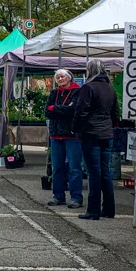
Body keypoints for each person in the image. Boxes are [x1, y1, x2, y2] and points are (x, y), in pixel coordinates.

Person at [73, 59, 120, 220]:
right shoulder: (110, 88)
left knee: (94, 172)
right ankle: (109, 208)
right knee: (105, 171)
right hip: (107, 133)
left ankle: (93, 210)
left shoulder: (88, 88)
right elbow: (115, 113)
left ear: (90, 70)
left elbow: (81, 111)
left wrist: (76, 129)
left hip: (91, 134)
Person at [45, 69, 83, 208]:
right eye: (57, 77)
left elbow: (73, 111)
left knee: (74, 168)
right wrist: (62, 109)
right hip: (55, 135)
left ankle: (76, 197)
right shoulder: (54, 93)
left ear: (69, 78)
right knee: (57, 167)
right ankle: (58, 195)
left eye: (62, 76)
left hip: (72, 135)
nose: (60, 79)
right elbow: (46, 112)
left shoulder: (77, 92)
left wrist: (54, 108)